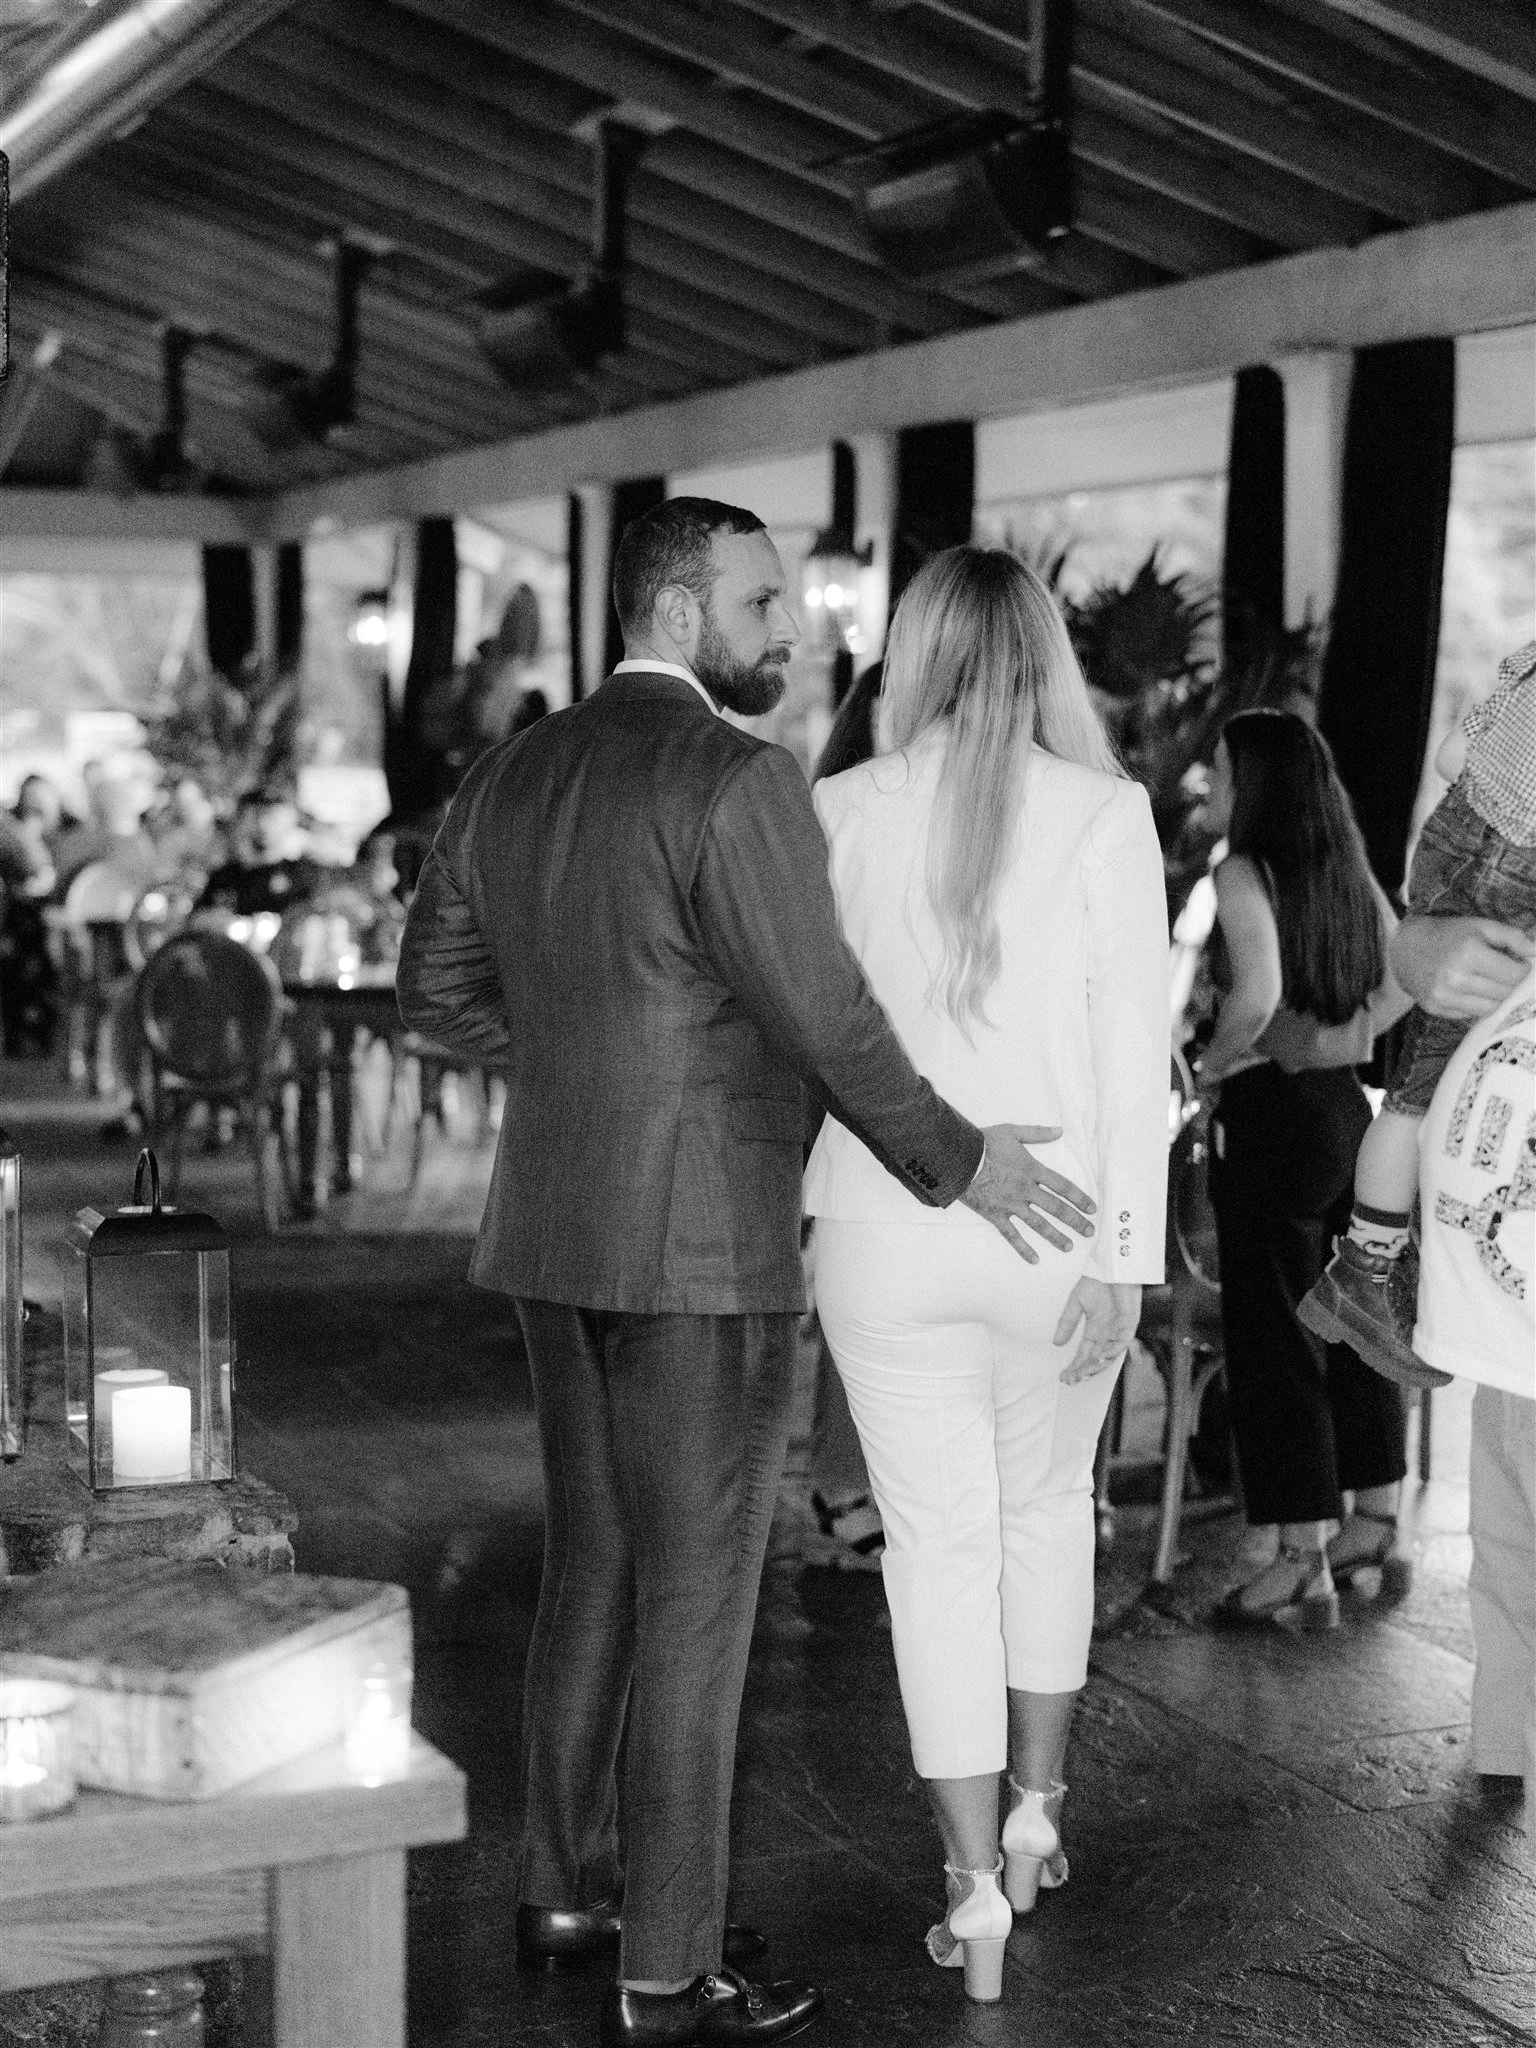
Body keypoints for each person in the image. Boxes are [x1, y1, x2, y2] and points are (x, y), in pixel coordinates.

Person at [396, 499, 1097, 2048]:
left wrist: (590, 1067)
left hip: (553, 1229)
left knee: (592, 1567)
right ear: (675, 609)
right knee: (701, 1604)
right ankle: (667, 1963)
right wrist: (965, 1160)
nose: (793, 626)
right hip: (701, 1242)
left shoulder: (514, 771)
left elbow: (433, 992)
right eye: (763, 599)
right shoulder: (737, 775)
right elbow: (827, 1017)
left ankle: (565, 1892)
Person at [805, 548, 1169, 2003]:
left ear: (912, 654)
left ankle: (969, 1894)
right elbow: (1135, 1057)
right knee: (1045, 1517)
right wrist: (1128, 1260)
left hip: (885, 1228)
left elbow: (817, 1040)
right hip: (1061, 1231)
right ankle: (1034, 1819)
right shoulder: (1107, 813)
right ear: (1043, 655)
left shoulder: (837, 808)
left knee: (934, 1553)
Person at [1196, 712, 1411, 1627]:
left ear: (1255, 783)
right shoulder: (1344, 866)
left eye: (1220, 769)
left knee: (1276, 1335)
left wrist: (1212, 1064)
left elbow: (1257, 994)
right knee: (1355, 1321)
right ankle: (1374, 1522)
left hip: (1274, 1123)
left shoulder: (1242, 872)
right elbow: (1404, 975)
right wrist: (1342, 1039)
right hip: (1347, 1117)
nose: (1208, 784)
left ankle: (1297, 1560)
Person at [1301, 642, 1536, 1388]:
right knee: (1414, 1095)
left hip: (1452, 855)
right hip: (1507, 875)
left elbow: (1449, 757)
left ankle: (1368, 1262)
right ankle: (1366, 1268)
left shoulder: (1529, 663)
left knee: (1413, 1094)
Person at [1388, 909, 1535, 1837]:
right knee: (1506, 1553)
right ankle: (1503, 1742)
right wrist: (1422, 949)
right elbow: (1413, 936)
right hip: (1506, 1331)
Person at [196, 790, 320, 919]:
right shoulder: (224, 876)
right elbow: (199, 917)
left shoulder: (301, 875)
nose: (264, 825)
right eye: (257, 817)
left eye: (274, 820)